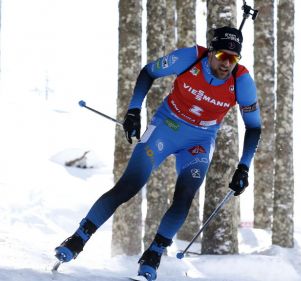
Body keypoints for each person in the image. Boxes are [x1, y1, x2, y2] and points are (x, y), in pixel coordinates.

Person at [54, 26, 261, 281]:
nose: (227, 64)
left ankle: (153, 255)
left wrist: (243, 167)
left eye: (234, 58)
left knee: (184, 196)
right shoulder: (191, 57)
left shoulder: (241, 81)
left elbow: (254, 126)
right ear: (210, 52)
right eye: (222, 56)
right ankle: (77, 239)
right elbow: (148, 72)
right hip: (166, 127)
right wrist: (133, 110)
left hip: (199, 141)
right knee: (129, 185)